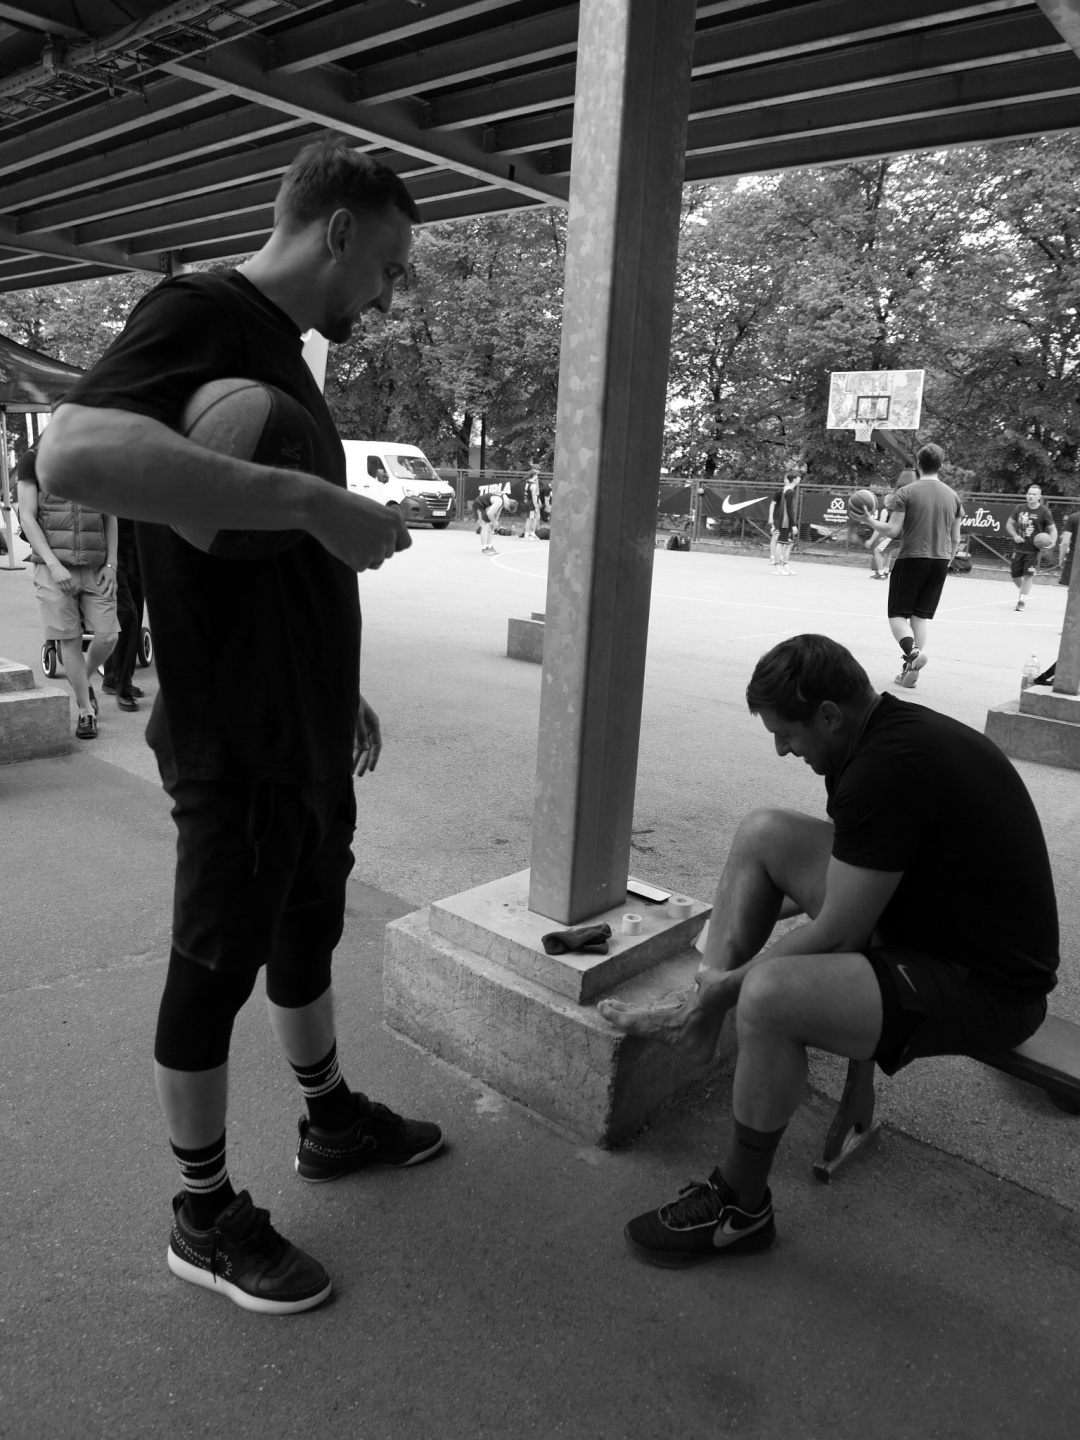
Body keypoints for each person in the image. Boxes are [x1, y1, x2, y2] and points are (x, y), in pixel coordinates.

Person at [35, 139, 443, 1316]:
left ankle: (330, 1122)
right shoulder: (202, 311)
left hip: (304, 718)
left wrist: (334, 683)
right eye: (389, 267)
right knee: (214, 968)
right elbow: (73, 451)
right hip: (236, 731)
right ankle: (203, 1216)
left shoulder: (281, 353)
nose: (388, 293)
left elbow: (263, 558)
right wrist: (319, 500)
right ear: (339, 231)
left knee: (307, 933)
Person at [598, 634, 1058, 1267]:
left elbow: (841, 932)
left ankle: (741, 1208)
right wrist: (744, 934)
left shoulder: (886, 768)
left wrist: (735, 984)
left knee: (768, 996)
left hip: (986, 983)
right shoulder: (877, 737)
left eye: (787, 734)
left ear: (830, 715)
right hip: (928, 927)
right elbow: (857, 884)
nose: (783, 749)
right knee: (763, 833)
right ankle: (700, 1023)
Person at [16, 445, 119, 740]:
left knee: (108, 635)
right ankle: (86, 711)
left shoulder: (98, 458)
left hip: (96, 566)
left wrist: (111, 564)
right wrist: (53, 564)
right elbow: (27, 517)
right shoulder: (34, 459)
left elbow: (110, 516)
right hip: (52, 568)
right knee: (69, 639)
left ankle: (83, 679)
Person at [862, 443, 961, 689]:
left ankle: (913, 653)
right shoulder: (953, 496)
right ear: (941, 465)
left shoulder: (906, 492)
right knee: (919, 617)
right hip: (940, 561)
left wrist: (869, 521)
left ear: (918, 464)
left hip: (912, 558)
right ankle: (909, 669)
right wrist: (947, 561)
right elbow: (956, 538)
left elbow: (892, 530)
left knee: (897, 615)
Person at [101, 515, 145, 711]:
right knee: (126, 613)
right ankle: (120, 684)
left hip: (139, 542)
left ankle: (116, 678)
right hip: (111, 547)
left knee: (136, 607)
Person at [1005, 484, 1057, 612]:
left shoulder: (1044, 512)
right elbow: (1009, 524)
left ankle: (1022, 600)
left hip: (1033, 550)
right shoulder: (1019, 508)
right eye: (1029, 493)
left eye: (1034, 494)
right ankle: (1024, 591)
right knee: (1015, 576)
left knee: (1028, 575)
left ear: (1039, 497)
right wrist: (1015, 536)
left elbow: (1052, 529)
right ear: (1026, 495)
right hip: (1018, 547)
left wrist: (1053, 542)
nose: (1031, 496)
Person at [768, 464, 800, 575]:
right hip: (785, 522)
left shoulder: (788, 490)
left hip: (786, 521)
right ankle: (777, 568)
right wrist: (793, 525)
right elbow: (789, 509)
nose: (800, 479)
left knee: (789, 544)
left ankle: (785, 566)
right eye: (798, 477)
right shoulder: (789, 491)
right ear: (794, 479)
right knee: (781, 543)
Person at [473, 481, 516, 554]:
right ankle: (484, 549)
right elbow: (489, 513)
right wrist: (494, 521)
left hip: (485, 507)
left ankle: (490, 546)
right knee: (485, 526)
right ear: (508, 503)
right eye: (507, 508)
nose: (506, 509)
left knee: (490, 526)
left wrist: (495, 522)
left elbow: (499, 510)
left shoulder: (505, 499)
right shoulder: (499, 501)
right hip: (478, 505)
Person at [1057, 505, 1078, 588]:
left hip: (1075, 557)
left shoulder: (1074, 517)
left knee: (1073, 588)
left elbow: (1065, 542)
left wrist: (1061, 558)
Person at [521, 470, 542, 541]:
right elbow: (534, 497)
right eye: (537, 475)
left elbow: (536, 495)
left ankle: (532, 533)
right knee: (529, 519)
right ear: (534, 476)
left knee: (534, 518)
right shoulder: (533, 485)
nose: (537, 477)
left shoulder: (527, 482)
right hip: (531, 504)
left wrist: (538, 501)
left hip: (528, 502)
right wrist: (536, 507)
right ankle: (526, 535)